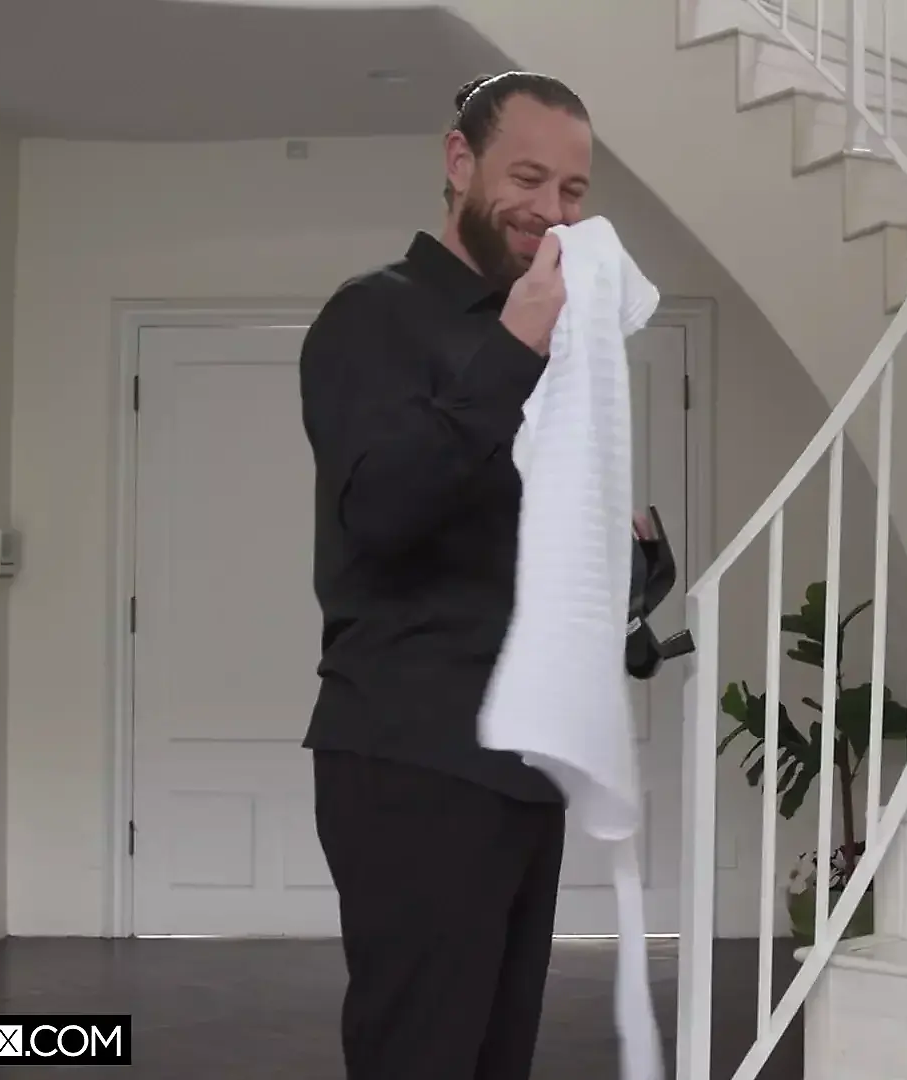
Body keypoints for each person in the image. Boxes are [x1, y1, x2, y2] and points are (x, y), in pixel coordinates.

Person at [298, 72, 595, 1080]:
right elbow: (382, 514)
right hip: (414, 755)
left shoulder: (544, 345)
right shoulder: (372, 317)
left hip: (526, 763)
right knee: (420, 1056)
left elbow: (516, 549)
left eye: (572, 191)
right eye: (528, 177)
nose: (551, 211)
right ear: (460, 161)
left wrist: (631, 552)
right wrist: (517, 347)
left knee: (496, 1058)